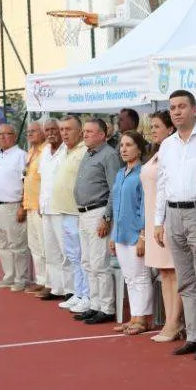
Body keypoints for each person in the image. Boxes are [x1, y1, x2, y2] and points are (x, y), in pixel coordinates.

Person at [153, 90, 196, 360]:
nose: (177, 111)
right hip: (173, 214)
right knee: (186, 282)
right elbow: (162, 184)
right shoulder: (167, 145)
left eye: (182, 106)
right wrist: (158, 221)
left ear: (194, 109)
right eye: (172, 108)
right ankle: (192, 336)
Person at [72, 117, 121, 324]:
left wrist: (106, 217)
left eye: (89, 132)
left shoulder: (109, 155)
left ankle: (107, 308)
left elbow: (114, 189)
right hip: (84, 214)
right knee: (88, 262)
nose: (84, 134)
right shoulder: (89, 152)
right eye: (84, 131)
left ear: (102, 135)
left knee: (100, 263)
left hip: (98, 212)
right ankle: (95, 304)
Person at [141, 110, 185, 342]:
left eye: (157, 126)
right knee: (164, 272)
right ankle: (170, 321)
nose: (153, 130)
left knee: (175, 271)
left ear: (170, 129)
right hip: (153, 220)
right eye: (152, 126)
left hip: (168, 219)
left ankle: (174, 322)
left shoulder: (174, 152)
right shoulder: (156, 153)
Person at [111, 131, 152, 335]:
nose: (124, 149)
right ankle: (134, 316)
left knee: (141, 276)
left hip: (136, 233)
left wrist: (143, 236)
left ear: (139, 149)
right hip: (120, 234)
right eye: (122, 145)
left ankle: (142, 319)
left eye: (129, 145)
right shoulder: (120, 173)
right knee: (129, 277)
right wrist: (113, 235)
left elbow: (145, 206)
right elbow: (116, 205)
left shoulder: (143, 173)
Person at [52, 116, 91, 311]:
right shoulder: (66, 151)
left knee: (83, 256)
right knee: (73, 256)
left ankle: (88, 296)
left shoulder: (84, 151)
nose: (64, 133)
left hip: (78, 212)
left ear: (80, 131)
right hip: (65, 211)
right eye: (62, 129)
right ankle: (79, 292)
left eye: (68, 129)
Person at [0, 123, 30, 291]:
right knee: (2, 244)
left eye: (7, 134)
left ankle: (21, 278)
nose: (2, 137)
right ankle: (9, 276)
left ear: (15, 136)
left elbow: (27, 182)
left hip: (12, 205)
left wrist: (23, 206)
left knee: (17, 243)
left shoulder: (21, 156)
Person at [37, 118, 72, 302]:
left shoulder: (67, 151)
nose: (51, 133)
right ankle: (56, 287)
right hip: (46, 207)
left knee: (66, 251)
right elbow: (43, 179)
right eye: (47, 130)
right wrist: (40, 202)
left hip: (61, 208)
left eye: (54, 129)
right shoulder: (44, 151)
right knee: (50, 250)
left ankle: (70, 290)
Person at [21, 122, 48, 294]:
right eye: (28, 132)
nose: (30, 134)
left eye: (34, 131)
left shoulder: (47, 151)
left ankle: (50, 282)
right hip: (29, 205)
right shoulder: (30, 152)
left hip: (41, 207)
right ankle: (41, 279)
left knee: (45, 246)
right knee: (35, 246)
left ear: (43, 133)